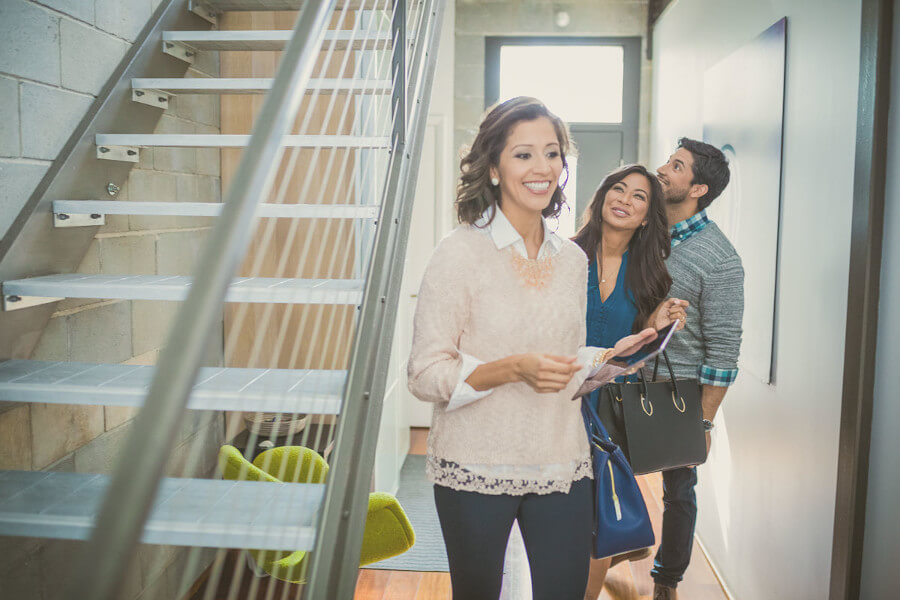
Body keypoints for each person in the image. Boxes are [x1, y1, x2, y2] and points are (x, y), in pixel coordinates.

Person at [406, 97, 658, 600]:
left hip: (561, 460)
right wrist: (510, 369)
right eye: (523, 155)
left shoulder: (572, 260)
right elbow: (424, 374)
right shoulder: (458, 254)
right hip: (475, 466)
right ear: (494, 167)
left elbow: (563, 364)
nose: (542, 168)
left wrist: (610, 358)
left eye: (552, 153)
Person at [572, 165, 688, 598]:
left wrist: (656, 328)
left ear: (646, 216)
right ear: (602, 197)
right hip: (554, 400)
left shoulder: (651, 276)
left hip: (604, 413)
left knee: (596, 517)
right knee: (555, 515)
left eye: (639, 196)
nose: (625, 199)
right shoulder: (562, 256)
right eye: (618, 188)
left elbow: (636, 356)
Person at [650, 138, 744, 600]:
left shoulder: (721, 259)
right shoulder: (643, 231)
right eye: (669, 160)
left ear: (698, 188)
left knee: (679, 489)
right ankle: (612, 545)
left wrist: (703, 421)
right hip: (618, 377)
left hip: (679, 392)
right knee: (598, 475)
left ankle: (667, 579)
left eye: (677, 165)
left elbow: (724, 350)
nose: (663, 169)